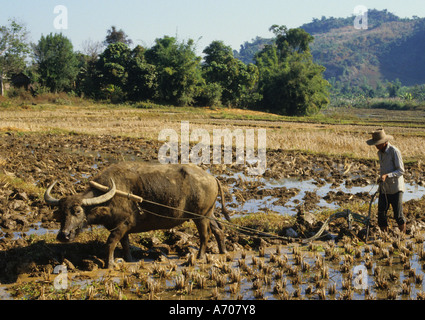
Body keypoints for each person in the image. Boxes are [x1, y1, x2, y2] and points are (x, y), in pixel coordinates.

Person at [366, 129, 406, 234]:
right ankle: (385, 237)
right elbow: (384, 168)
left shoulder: (394, 151)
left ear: (385, 142)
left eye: (378, 144)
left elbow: (401, 170)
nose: (376, 146)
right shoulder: (380, 153)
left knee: (398, 215)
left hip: (396, 188)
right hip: (384, 188)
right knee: (381, 215)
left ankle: (401, 237)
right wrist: (381, 177)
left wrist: (387, 175)